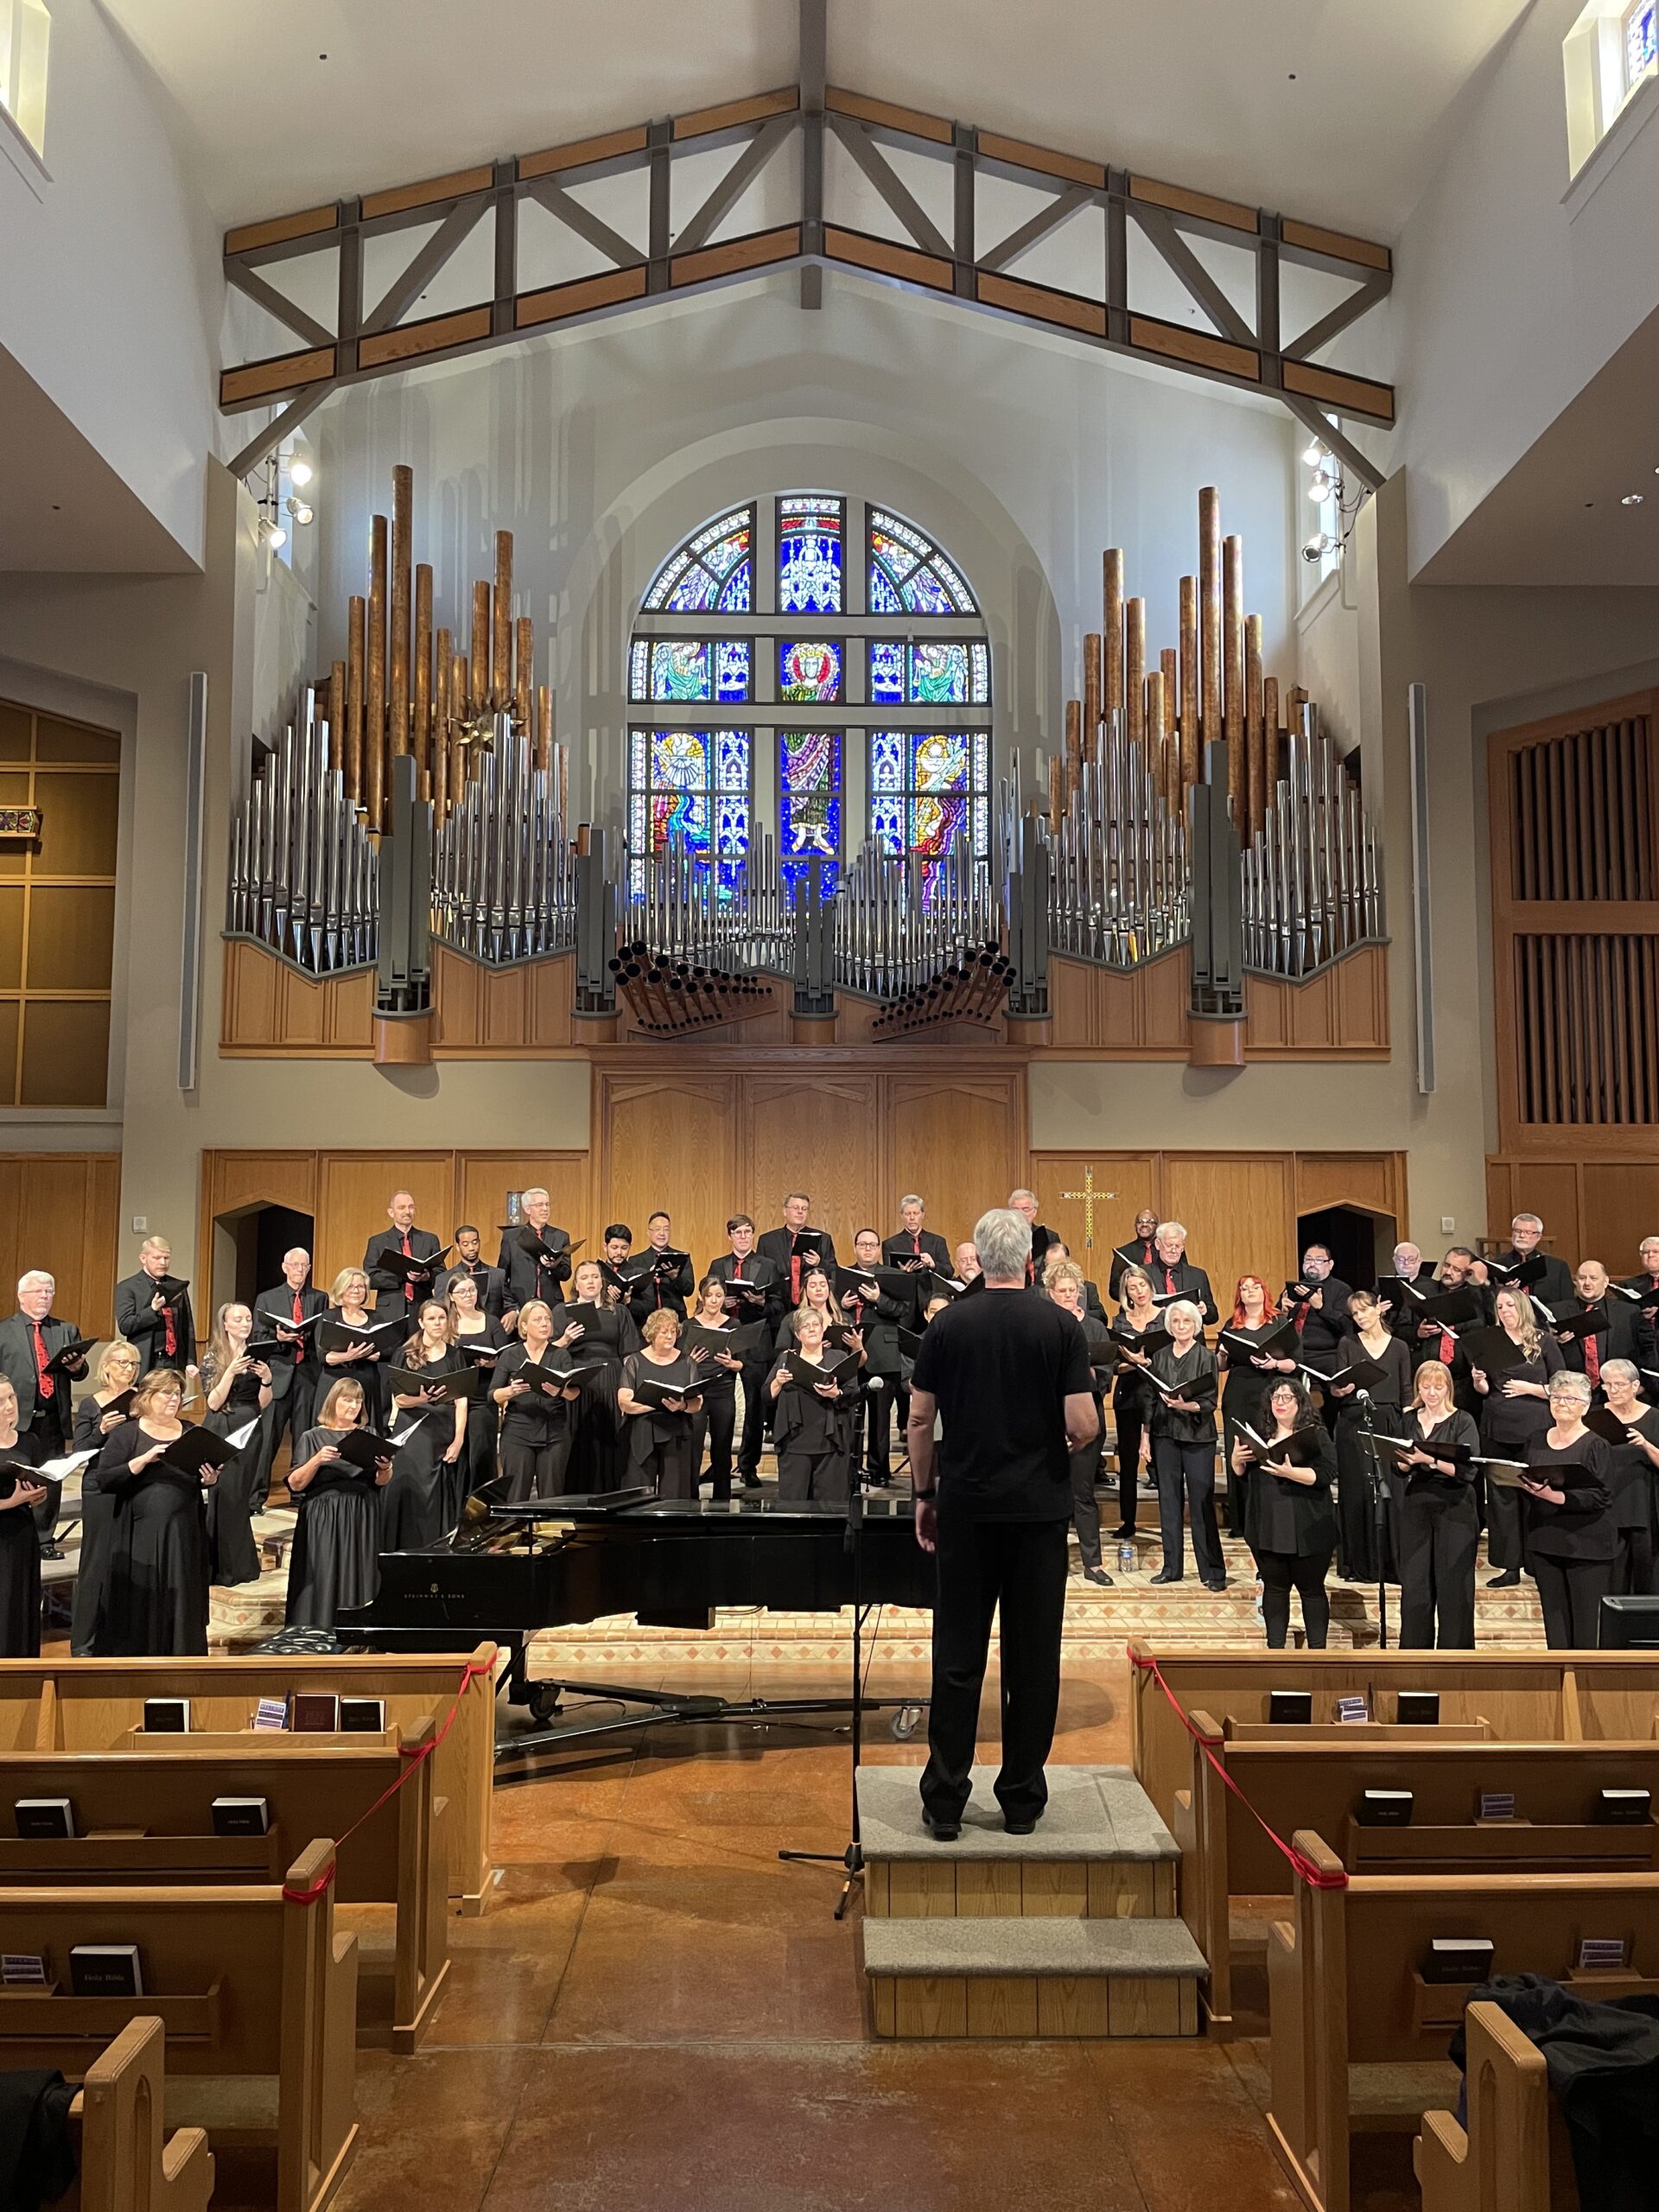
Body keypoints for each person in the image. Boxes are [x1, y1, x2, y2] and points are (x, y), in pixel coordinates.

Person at [906, 1206, 1096, 1839]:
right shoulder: (1061, 1325)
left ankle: (943, 1804)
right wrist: (1050, 1447)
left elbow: (918, 1420)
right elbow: (1085, 1425)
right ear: (1031, 1263)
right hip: (1038, 1513)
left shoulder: (947, 1325)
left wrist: (924, 1492)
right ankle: (1020, 1801)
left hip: (965, 1507)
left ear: (981, 1260)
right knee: (1033, 1660)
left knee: (957, 1657)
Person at [93, 1368, 218, 1656]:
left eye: (178, 1393)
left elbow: (201, 1473)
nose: (174, 1399)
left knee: (182, 1595)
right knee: (142, 1600)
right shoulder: (127, 1434)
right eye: (167, 1393)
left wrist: (210, 1479)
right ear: (148, 1396)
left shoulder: (190, 1431)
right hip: (140, 1535)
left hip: (183, 1532)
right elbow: (104, 1479)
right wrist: (142, 1461)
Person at [1228, 1376, 1336, 1649]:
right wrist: (1236, 1462)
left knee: (1311, 1591)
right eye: (1276, 1397)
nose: (1281, 1402)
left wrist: (1292, 1473)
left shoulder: (1316, 1434)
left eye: (1288, 1397)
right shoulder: (1260, 1436)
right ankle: (1275, 1652)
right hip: (1268, 1525)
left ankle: (1318, 1654)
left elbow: (1327, 1473)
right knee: (1275, 1590)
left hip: (1309, 1525)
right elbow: (1244, 1476)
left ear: (1301, 1403)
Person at [1470, 1284, 1562, 1589]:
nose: (1504, 1311)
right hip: (1498, 1426)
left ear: (1521, 1307)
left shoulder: (1542, 1341)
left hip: (1535, 1428)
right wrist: (1479, 1381)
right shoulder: (1491, 1341)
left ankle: (1538, 1562)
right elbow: (1486, 1391)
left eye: (1509, 1305)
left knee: (1536, 1493)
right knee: (1502, 1499)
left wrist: (1530, 1388)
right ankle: (1510, 1566)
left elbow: (1562, 1385)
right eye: (1499, 1307)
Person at [284, 1378, 394, 1630]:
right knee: (323, 1573)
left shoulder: (369, 1435)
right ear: (334, 1401)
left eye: (358, 1400)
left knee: (359, 1572)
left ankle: (359, 1630)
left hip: (361, 1512)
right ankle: (318, 1629)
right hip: (324, 1514)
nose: (353, 1405)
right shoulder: (312, 1437)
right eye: (347, 1399)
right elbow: (295, 1483)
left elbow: (382, 1481)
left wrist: (386, 1467)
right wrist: (317, 1460)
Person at [1522, 1370, 1614, 1649]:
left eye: (1570, 1398)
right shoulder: (1537, 1439)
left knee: (1587, 1629)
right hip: (1546, 1542)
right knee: (1556, 1626)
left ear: (1585, 1406)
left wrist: (1556, 1496)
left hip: (1586, 1547)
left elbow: (1601, 1497)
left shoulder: (1596, 1445)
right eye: (1556, 1397)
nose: (1561, 1403)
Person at [1394, 1358, 1481, 1649]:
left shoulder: (1462, 1420)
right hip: (1418, 1504)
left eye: (1438, 1387)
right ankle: (1414, 1655)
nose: (1432, 1393)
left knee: (1453, 1585)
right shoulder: (1408, 1419)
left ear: (1448, 1389)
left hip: (1455, 1505)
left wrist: (1430, 1460)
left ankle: (1455, 1656)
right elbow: (1398, 1466)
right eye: (1426, 1386)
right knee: (1415, 1583)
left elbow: (1469, 1471)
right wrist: (1406, 1464)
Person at [0, 1269, 86, 1561]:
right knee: (17, 1475)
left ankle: (45, 1539)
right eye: (38, 1291)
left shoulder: (66, 1330)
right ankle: (16, 1532)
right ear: (21, 1295)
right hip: (15, 1419)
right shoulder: (3, 1331)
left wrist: (76, 1367)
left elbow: (81, 1372)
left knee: (50, 1477)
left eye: (49, 1291)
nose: (45, 1296)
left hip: (52, 1417)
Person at [1327, 1289, 1411, 1584]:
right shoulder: (1348, 1343)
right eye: (1355, 1313)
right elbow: (1337, 1387)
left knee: (1388, 1489)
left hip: (1388, 1420)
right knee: (1357, 1491)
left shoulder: (1399, 1346)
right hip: (1353, 1420)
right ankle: (1359, 1565)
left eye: (1364, 1310)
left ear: (1379, 1308)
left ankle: (1390, 1564)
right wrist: (1339, 1390)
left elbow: (1406, 1391)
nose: (1360, 1317)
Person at [68, 1339, 142, 1656]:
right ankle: (83, 1642)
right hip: (100, 1485)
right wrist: (101, 1429)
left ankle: (120, 1636)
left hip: (133, 1484)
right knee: (95, 1562)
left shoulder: (141, 1400)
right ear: (107, 1366)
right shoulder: (91, 1404)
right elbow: (81, 1451)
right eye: (123, 1363)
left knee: (129, 1560)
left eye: (134, 1364)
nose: (128, 1369)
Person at [1144, 1297, 1223, 1587]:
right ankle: (1171, 1567)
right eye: (1175, 1321)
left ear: (1196, 1325)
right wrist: (1144, 1437)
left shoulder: (1205, 1357)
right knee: (1169, 1502)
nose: (1181, 1326)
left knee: (1201, 1503)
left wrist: (1184, 1406)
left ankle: (1212, 1572)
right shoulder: (1161, 1356)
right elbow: (1150, 1400)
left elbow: (1210, 1402)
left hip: (1198, 1436)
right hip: (1165, 1434)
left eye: (1186, 1321)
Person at [381, 1299, 469, 1547]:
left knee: (439, 1494)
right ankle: (407, 1546)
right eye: (431, 1318)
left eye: (441, 1318)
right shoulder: (405, 1353)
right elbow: (399, 1399)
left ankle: (436, 1546)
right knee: (415, 1489)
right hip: (414, 1431)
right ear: (421, 1322)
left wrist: (459, 1439)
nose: (437, 1323)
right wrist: (421, 1398)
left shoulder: (455, 1355)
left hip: (444, 1430)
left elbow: (462, 1400)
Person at [1047, 1264, 1114, 1586]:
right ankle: (1050, 1560)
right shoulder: (1043, 1326)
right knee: (1050, 1492)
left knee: (1083, 1492)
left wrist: (1086, 1371)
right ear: (1051, 1294)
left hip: (1087, 1416)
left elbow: (1106, 1377)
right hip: (1049, 1417)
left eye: (1073, 1290)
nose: (1069, 1295)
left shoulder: (1095, 1327)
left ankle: (1094, 1563)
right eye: (1062, 1291)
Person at [1217, 1274, 1297, 1541]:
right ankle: (1239, 1522)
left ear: (1265, 1292)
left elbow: (1296, 1363)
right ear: (1239, 1295)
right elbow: (1221, 1366)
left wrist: (1273, 1364)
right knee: (1238, 1452)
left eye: (1255, 1287)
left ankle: (1267, 1518)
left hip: (1270, 1392)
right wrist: (1223, 1354)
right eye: (1244, 1288)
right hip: (1238, 1394)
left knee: (1267, 1451)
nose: (1249, 1291)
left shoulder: (1279, 1323)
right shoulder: (1232, 1325)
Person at [198, 1301, 271, 1586]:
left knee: (240, 1495)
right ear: (225, 1324)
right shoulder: (213, 1357)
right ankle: (219, 1567)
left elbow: (263, 1403)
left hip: (251, 1426)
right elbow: (213, 1402)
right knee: (223, 1493)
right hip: (223, 1427)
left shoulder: (256, 1355)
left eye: (248, 1318)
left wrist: (266, 1380)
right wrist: (230, 1371)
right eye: (238, 1319)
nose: (244, 1323)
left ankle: (239, 1565)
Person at [705, 1215, 781, 1489]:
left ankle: (748, 1466)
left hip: (756, 1339)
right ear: (730, 1235)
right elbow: (706, 1299)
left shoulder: (768, 1265)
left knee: (754, 1407)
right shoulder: (718, 1265)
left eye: (749, 1232)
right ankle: (718, 1463)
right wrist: (721, 1301)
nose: (744, 1237)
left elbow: (778, 1307)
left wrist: (760, 1302)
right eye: (738, 1232)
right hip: (724, 1337)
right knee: (719, 1402)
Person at [253, 1247, 327, 1506]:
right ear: (284, 1267)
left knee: (304, 1436)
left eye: (304, 1265)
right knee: (267, 1439)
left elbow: (322, 1337)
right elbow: (257, 1337)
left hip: (307, 1375)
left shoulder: (320, 1298)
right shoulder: (267, 1298)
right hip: (278, 1375)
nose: (299, 1270)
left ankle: (299, 1494)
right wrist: (279, 1337)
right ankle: (256, 1498)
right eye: (294, 1265)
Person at [490, 1299, 583, 1502]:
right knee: (516, 1496)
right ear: (524, 1326)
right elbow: (493, 1394)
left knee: (552, 1496)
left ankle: (549, 1534)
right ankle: (516, 1533)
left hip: (554, 1433)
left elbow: (575, 1393)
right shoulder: (510, 1354)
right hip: (518, 1432)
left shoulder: (561, 1355)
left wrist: (560, 1391)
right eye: (538, 1319)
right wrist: (511, 1391)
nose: (544, 1324)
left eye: (547, 1319)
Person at [561, 1260, 639, 1492]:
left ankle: (610, 1493)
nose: (591, 1281)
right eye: (584, 1277)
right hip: (578, 1381)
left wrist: (629, 1388)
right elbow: (550, 1351)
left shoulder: (618, 1311)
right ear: (576, 1284)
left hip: (610, 1378)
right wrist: (566, 1339)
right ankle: (574, 1496)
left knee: (609, 1435)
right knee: (578, 1437)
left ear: (602, 1282)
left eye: (595, 1276)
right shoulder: (563, 1311)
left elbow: (629, 1354)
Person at [769, 1307, 855, 1503]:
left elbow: (853, 1395)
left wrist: (836, 1394)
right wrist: (778, 1382)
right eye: (806, 1326)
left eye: (816, 1325)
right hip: (795, 1441)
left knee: (832, 1505)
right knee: (793, 1504)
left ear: (823, 1329)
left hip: (831, 1442)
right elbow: (766, 1395)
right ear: (798, 1334)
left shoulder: (839, 1357)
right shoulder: (786, 1359)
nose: (812, 1329)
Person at [841, 1230, 906, 1485]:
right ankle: (850, 1470)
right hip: (848, 1355)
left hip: (883, 1354)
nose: (867, 1249)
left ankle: (879, 1471)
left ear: (879, 1248)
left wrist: (880, 1299)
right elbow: (829, 1307)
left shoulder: (893, 1276)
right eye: (862, 1244)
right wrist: (843, 1305)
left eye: (872, 1245)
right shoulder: (842, 1275)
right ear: (855, 1247)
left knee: (880, 1420)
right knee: (848, 1417)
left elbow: (904, 1310)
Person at [620, 1311, 702, 1498]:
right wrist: (658, 1403)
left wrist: (681, 1406)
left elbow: (697, 1403)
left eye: (673, 1331)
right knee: (639, 1493)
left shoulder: (687, 1362)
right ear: (652, 1334)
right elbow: (625, 1402)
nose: (670, 1336)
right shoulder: (635, 1362)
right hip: (642, 1432)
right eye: (664, 1332)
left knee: (676, 1492)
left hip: (676, 1432)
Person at [1108, 1264, 1162, 1541]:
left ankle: (1170, 1519)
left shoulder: (1164, 1318)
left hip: (1159, 1395)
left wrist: (1149, 1363)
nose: (1138, 1292)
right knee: (1128, 1461)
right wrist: (1135, 1363)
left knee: (1162, 1460)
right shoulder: (1120, 1322)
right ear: (1126, 1293)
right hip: (1128, 1395)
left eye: (1141, 1285)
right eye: (1132, 1288)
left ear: (1150, 1286)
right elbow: (1114, 1366)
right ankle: (1128, 1520)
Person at [445, 1271, 508, 1494]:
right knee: (455, 1457)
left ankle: (483, 1510)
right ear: (451, 1296)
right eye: (462, 1292)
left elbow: (505, 1356)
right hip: (451, 1399)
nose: (469, 1295)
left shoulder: (490, 1321)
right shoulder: (446, 1323)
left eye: (472, 1290)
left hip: (482, 1397)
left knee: (482, 1454)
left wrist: (493, 1364)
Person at [1599, 1360, 1659, 1595]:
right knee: (1612, 1575)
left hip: (1643, 1503)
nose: (1613, 1390)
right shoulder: (1597, 1415)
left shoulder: (1654, 1417)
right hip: (1608, 1503)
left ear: (1635, 1386)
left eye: (1619, 1385)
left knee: (1646, 1568)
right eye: (1608, 1385)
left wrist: (1645, 1445)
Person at [684, 1276, 746, 1502]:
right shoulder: (689, 1324)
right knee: (694, 1445)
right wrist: (690, 1360)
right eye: (709, 1296)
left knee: (722, 1446)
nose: (713, 1300)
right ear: (701, 1296)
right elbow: (681, 1363)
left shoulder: (733, 1325)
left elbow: (742, 1364)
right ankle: (690, 1499)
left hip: (723, 1388)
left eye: (718, 1296)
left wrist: (731, 1364)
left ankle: (722, 1501)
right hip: (697, 1389)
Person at [0, 1376, 48, 1656]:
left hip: (22, 1535)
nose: (9, 1406)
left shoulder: (30, 1440)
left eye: (12, 1398)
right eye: (1, 1401)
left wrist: (37, 1495)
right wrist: (10, 1501)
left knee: (21, 1602)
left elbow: (39, 1483)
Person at [1554, 1260, 1649, 1391]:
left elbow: (1648, 1350)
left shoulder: (1629, 1312)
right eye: (1582, 1278)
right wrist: (1554, 1340)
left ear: (1605, 1282)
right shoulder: (1557, 1311)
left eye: (1593, 1278)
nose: (1587, 1283)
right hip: (1572, 1390)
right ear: (1575, 1282)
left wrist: (1643, 1384)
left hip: (1618, 1390)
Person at [113, 1236, 197, 1377]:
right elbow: (125, 1325)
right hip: (147, 1362)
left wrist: (191, 1361)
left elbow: (187, 1326)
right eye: (157, 1258)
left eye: (166, 1258)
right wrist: (152, 1310)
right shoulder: (128, 1287)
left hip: (173, 1362)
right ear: (143, 1258)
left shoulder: (177, 1286)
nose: (163, 1263)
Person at [320, 1267, 389, 1430]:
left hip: (367, 1385)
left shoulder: (376, 1317)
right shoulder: (329, 1316)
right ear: (341, 1289)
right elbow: (323, 1356)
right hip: (335, 1384)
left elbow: (387, 1351)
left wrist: (367, 1355)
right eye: (350, 1286)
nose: (356, 1290)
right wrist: (349, 1356)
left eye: (361, 1286)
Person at [364, 1191, 445, 1319]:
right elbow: (370, 1277)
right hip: (389, 1311)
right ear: (391, 1212)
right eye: (401, 1207)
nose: (407, 1211)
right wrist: (401, 1276)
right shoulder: (377, 1242)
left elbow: (441, 1274)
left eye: (411, 1207)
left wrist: (426, 1277)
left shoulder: (430, 1239)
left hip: (423, 1308)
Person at [1280, 1245, 1353, 1382]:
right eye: (1308, 1260)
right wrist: (1283, 1313)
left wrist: (1321, 1307)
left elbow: (1346, 1326)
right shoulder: (1295, 1288)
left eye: (1319, 1261)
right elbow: (1275, 1325)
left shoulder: (1342, 1290)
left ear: (1330, 1265)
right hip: (1295, 1354)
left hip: (1327, 1355)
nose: (1312, 1264)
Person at [758, 1192, 837, 1309]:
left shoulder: (823, 1239)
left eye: (804, 1209)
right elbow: (761, 1276)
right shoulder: (768, 1241)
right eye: (796, 1208)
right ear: (785, 1211)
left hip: (813, 1308)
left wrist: (819, 1263)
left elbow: (835, 1272)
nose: (800, 1212)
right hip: (777, 1309)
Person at [499, 1188, 573, 1313]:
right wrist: (511, 1307)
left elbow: (566, 1275)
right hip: (520, 1304)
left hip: (551, 1305)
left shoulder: (561, 1237)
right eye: (539, 1205)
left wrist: (553, 1266)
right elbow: (502, 1276)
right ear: (527, 1209)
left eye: (547, 1205)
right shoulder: (511, 1237)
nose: (545, 1209)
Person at [625, 1211, 694, 1331]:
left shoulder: (681, 1257)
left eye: (666, 1229)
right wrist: (648, 1278)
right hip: (645, 1319)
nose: (662, 1233)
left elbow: (689, 1290)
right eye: (657, 1229)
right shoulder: (636, 1260)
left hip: (675, 1317)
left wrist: (675, 1277)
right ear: (648, 1232)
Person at [1496, 1212, 1575, 1311]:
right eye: (1517, 1231)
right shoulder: (1498, 1265)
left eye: (1528, 1232)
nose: (1521, 1235)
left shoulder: (1557, 1267)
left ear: (1538, 1236)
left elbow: (1569, 1304)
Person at [1148, 1222, 1217, 1325]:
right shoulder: (1143, 1274)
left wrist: (1205, 1310)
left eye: (1178, 1246)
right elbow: (1128, 1310)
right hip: (1155, 1336)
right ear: (1158, 1244)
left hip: (1190, 1337)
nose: (1174, 1250)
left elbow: (1214, 1317)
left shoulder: (1198, 1275)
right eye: (1169, 1245)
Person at [435, 1225, 509, 1321]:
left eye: (475, 1243)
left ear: (479, 1242)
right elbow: (440, 1311)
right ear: (458, 1247)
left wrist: (512, 1313)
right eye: (465, 1244)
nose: (471, 1248)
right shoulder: (444, 1279)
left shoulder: (498, 1275)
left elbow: (510, 1304)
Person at [1040, 1243, 1107, 1324]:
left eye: (1058, 1264)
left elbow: (1102, 1316)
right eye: (1049, 1265)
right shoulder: (1039, 1291)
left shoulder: (1088, 1287)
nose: (1054, 1269)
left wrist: (1079, 1314)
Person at [882, 1196, 950, 1274]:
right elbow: (887, 1276)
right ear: (902, 1216)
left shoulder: (938, 1242)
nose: (912, 1218)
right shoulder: (890, 1244)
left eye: (916, 1213)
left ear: (923, 1214)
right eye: (907, 1214)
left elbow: (949, 1272)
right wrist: (902, 1272)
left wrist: (933, 1265)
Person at [1108, 1210, 1161, 1302]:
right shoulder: (1123, 1253)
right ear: (1135, 1226)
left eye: (1149, 1221)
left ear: (1157, 1226)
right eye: (1140, 1222)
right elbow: (1114, 1289)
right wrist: (1135, 1296)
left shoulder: (1167, 1251)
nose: (1144, 1225)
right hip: (1132, 1308)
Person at [1007, 1188, 1056, 1281]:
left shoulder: (1048, 1236)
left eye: (1025, 1209)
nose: (1020, 1214)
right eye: (1016, 1210)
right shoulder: (1001, 1237)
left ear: (1034, 1212)